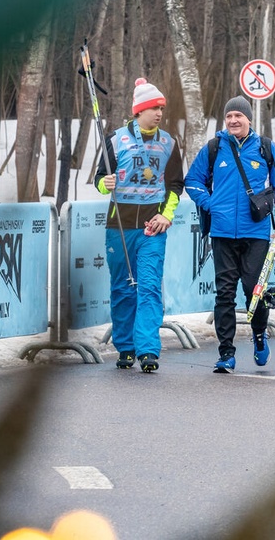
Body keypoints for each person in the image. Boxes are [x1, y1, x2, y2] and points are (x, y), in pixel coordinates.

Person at [184, 96, 275, 372]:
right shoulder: (214, 148)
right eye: (229, 116)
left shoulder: (265, 148)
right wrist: (212, 205)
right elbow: (192, 181)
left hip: (256, 233)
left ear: (249, 119)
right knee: (224, 294)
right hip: (222, 234)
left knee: (254, 292)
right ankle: (226, 353)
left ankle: (259, 335)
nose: (233, 121)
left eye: (239, 116)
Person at [93, 77, 184, 373]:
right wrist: (104, 184)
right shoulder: (115, 139)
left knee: (148, 286)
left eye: (161, 109)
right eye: (154, 108)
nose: (159, 113)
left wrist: (166, 216)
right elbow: (98, 180)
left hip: (151, 228)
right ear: (139, 111)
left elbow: (175, 186)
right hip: (118, 226)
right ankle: (126, 347)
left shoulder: (169, 143)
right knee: (122, 288)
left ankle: (147, 349)